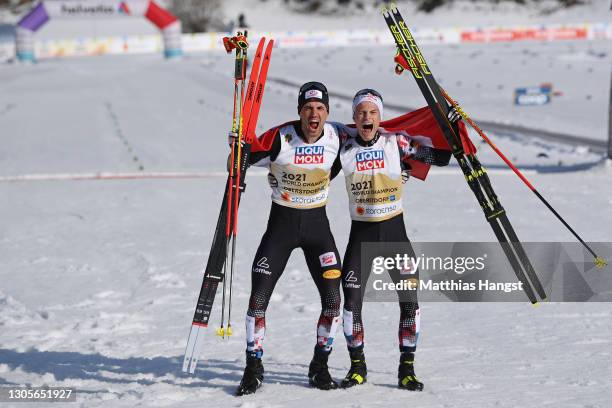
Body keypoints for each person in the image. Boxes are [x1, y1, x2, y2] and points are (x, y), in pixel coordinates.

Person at [334, 89, 455, 390]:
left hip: (394, 235)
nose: (367, 118)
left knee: (409, 303)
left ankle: (407, 369)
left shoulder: (396, 143)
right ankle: (357, 367)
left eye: (372, 113)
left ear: (380, 117)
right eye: (361, 112)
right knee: (350, 304)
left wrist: (451, 132)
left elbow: (438, 157)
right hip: (361, 236)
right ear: (354, 117)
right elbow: (315, 170)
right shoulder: (343, 147)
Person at [236, 82, 345, 396]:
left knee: (333, 301)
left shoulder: (338, 137)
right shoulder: (279, 137)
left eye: (320, 108)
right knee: (258, 300)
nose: (314, 114)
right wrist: (237, 148)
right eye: (308, 108)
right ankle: (253, 368)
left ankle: (319, 366)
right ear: (300, 111)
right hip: (280, 228)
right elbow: (244, 156)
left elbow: (374, 136)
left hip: (317, 230)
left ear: (326, 113)